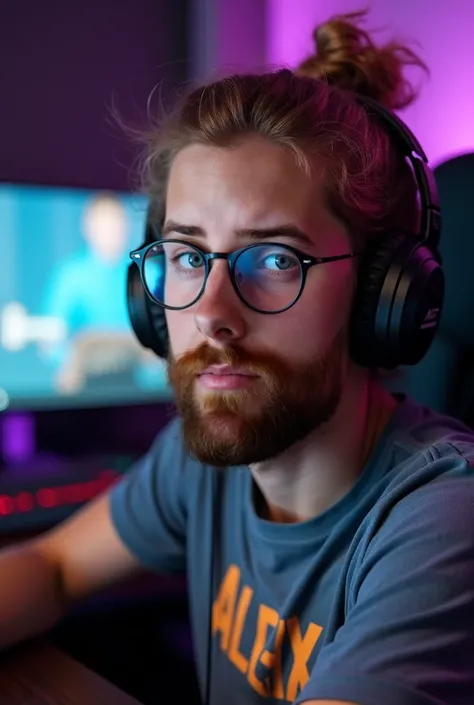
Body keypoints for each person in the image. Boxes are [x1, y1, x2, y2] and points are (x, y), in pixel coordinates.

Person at [0, 10, 473, 705]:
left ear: (380, 295)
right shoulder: (209, 457)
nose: (212, 314)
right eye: (188, 256)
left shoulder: (440, 522)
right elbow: (55, 565)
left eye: (276, 258)